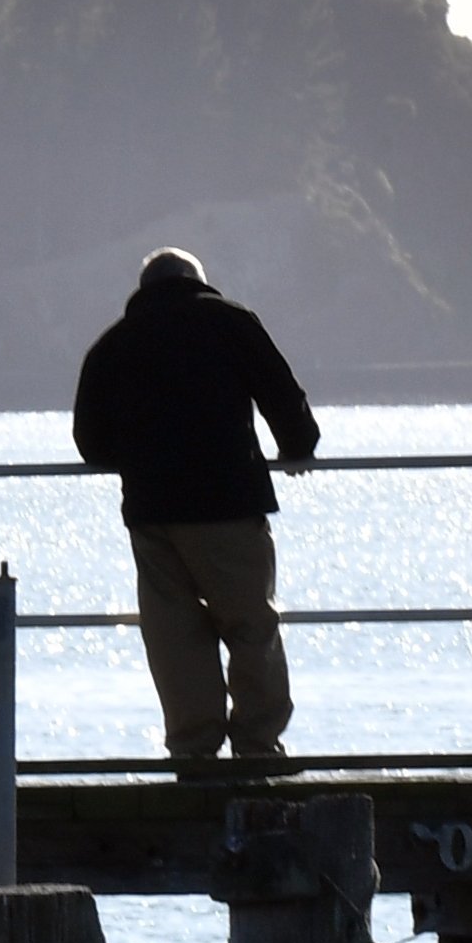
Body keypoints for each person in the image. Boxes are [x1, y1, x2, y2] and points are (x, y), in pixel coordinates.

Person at [69, 246, 321, 762]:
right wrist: (297, 448)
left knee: (174, 638)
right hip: (228, 502)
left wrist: (136, 459)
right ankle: (257, 747)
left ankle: (194, 750)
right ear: (198, 281)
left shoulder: (114, 343)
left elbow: (90, 441)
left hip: (152, 513)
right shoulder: (231, 323)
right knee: (250, 626)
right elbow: (283, 397)